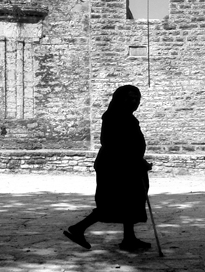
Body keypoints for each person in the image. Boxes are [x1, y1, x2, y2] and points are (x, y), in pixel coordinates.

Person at [63, 84, 153, 251]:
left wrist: (138, 160)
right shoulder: (113, 116)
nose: (134, 102)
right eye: (130, 98)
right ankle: (78, 228)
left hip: (128, 166)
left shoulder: (127, 116)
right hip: (115, 167)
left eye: (137, 99)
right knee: (112, 203)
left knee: (130, 203)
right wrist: (137, 160)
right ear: (120, 99)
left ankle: (129, 239)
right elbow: (112, 143)